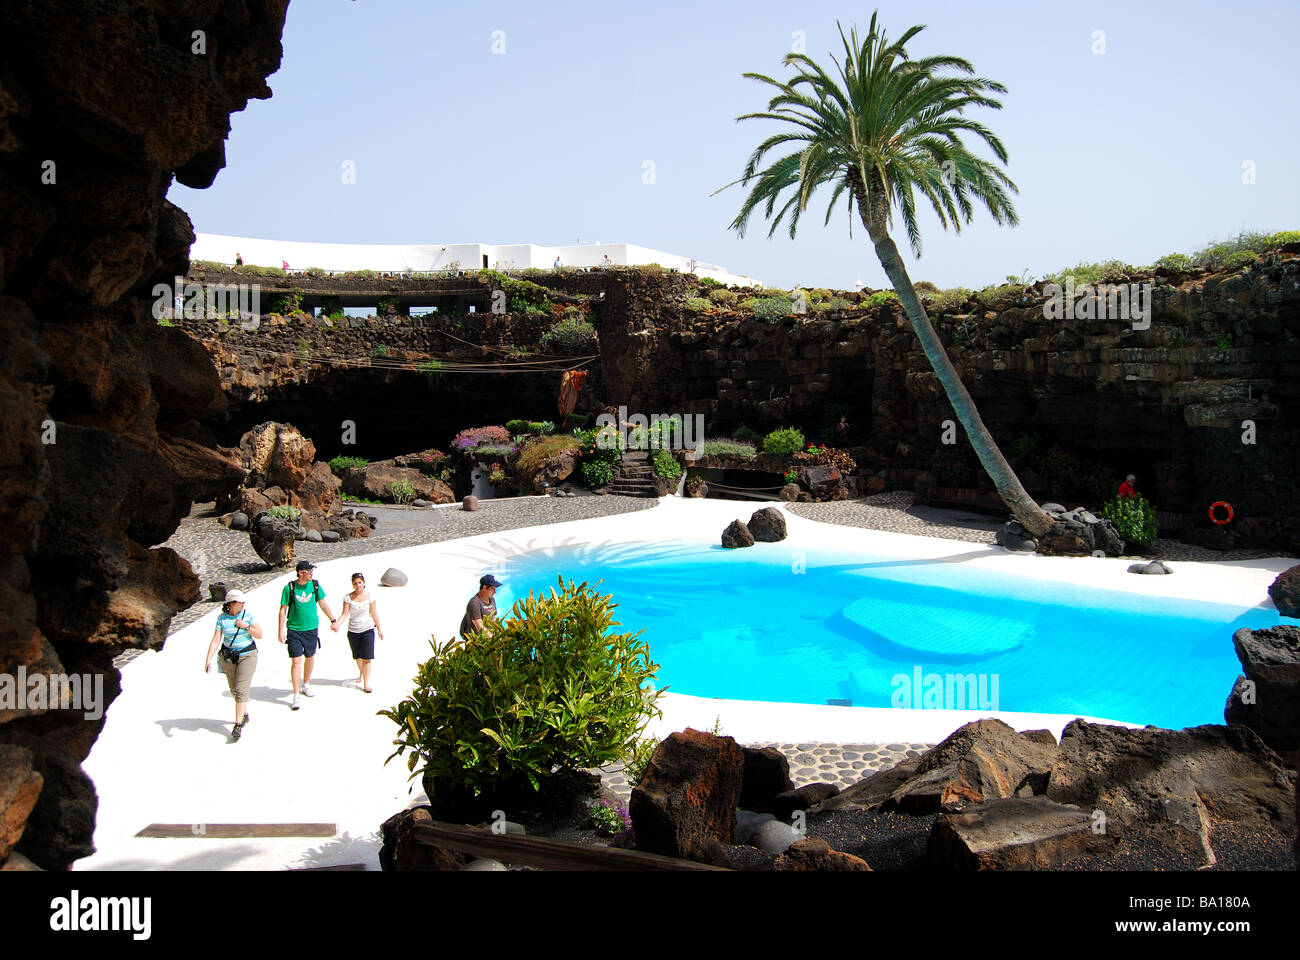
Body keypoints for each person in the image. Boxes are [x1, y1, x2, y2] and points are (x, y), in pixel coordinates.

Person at [278, 560, 340, 710]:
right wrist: (280, 630)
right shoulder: (289, 588)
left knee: (310, 657)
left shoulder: (315, 585)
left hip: (311, 628)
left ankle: (306, 683)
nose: (311, 574)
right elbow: (283, 609)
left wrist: (333, 620)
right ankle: (296, 694)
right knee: (296, 661)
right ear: (301, 573)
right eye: (309, 571)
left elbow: (323, 603)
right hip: (294, 629)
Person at [205, 589, 261, 741]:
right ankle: (243, 713)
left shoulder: (247, 616)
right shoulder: (221, 619)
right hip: (229, 657)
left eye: (243, 602)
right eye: (240, 602)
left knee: (242, 690)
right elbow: (216, 639)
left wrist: (246, 627)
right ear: (231, 604)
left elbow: (260, 634)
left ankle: (237, 725)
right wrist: (208, 658)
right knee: (234, 690)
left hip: (247, 655)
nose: (243, 604)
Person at [335, 572, 383, 693]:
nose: (358, 586)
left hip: (367, 629)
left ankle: (366, 684)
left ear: (364, 583)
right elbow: (344, 614)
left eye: (360, 583)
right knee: (357, 656)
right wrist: (337, 624)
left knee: (367, 657)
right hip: (353, 630)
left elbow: (374, 613)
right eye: (355, 583)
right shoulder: (347, 598)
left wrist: (379, 628)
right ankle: (361, 673)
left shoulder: (370, 596)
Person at [460, 574, 501, 640]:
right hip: (476, 641)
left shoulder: (492, 599)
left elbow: (493, 619)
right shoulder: (474, 603)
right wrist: (493, 641)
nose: (495, 592)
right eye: (493, 589)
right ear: (484, 588)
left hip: (488, 637)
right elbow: (479, 626)